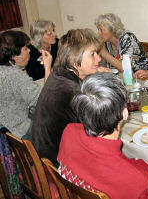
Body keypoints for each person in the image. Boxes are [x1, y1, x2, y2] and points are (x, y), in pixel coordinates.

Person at [58, 72, 148, 199]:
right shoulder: (139, 181)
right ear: (125, 113)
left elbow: (104, 166)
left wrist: (137, 164)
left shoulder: (68, 131)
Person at [32, 29, 107, 167]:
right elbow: (96, 131)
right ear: (74, 59)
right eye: (92, 54)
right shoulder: (71, 91)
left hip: (44, 156)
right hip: (57, 166)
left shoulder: (59, 75)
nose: (99, 59)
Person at [0, 30, 52, 139]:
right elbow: (44, 100)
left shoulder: (6, 69)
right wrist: (47, 67)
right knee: (55, 121)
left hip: (6, 125)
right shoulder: (12, 74)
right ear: (14, 56)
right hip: (19, 132)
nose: (29, 51)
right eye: (25, 49)